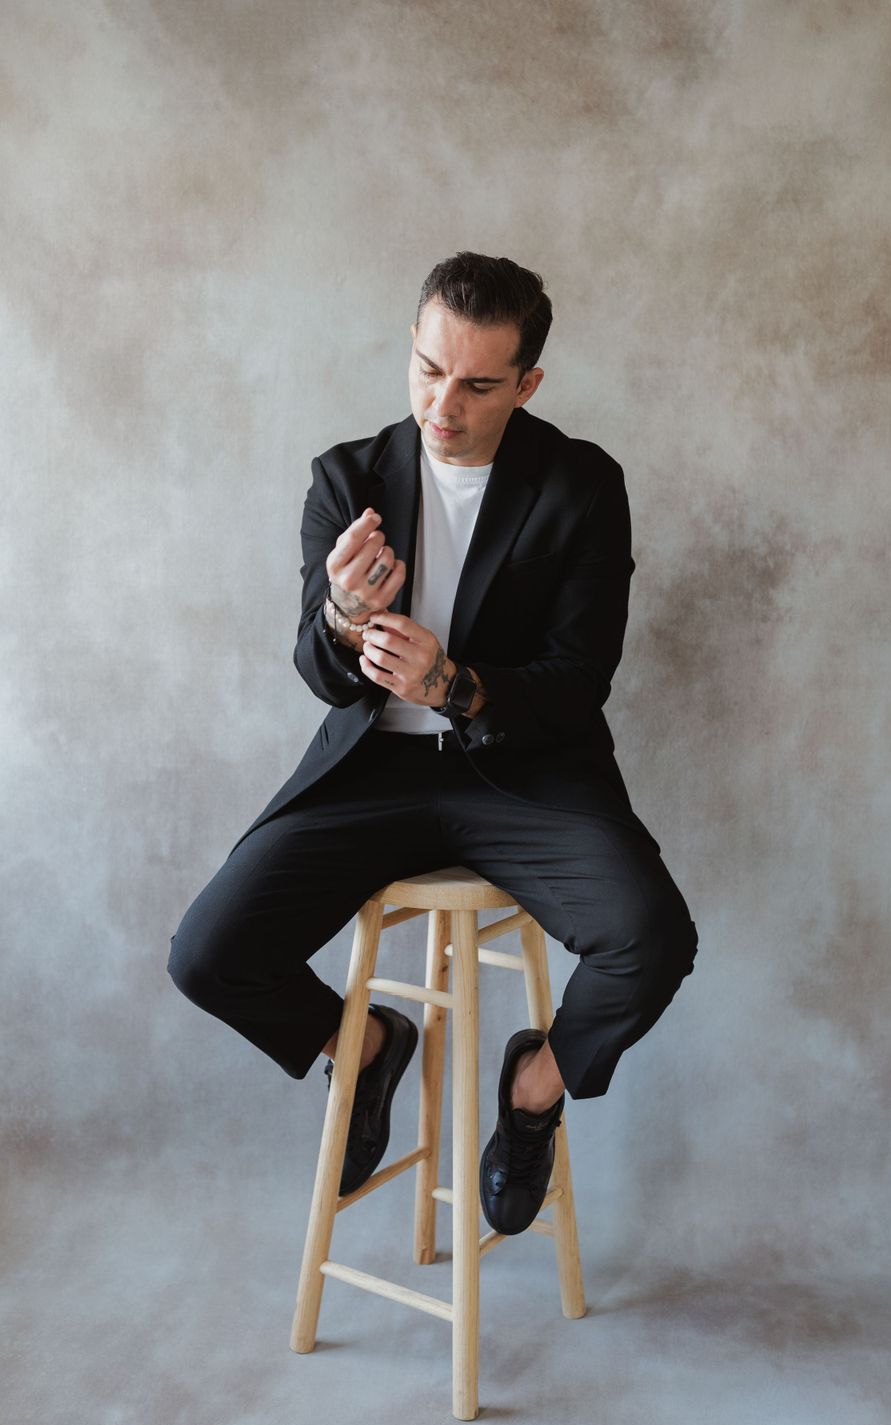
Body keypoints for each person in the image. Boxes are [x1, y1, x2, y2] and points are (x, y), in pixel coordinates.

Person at [167, 251, 698, 1236]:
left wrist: (455, 686)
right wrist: (339, 616)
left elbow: (580, 680)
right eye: (427, 369)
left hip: (522, 774)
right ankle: (365, 1047)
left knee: (653, 939)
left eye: (478, 385)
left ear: (527, 384)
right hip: (373, 771)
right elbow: (320, 673)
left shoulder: (582, 484)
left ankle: (532, 1092)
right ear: (412, 345)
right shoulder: (348, 477)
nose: (441, 405)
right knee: (207, 954)